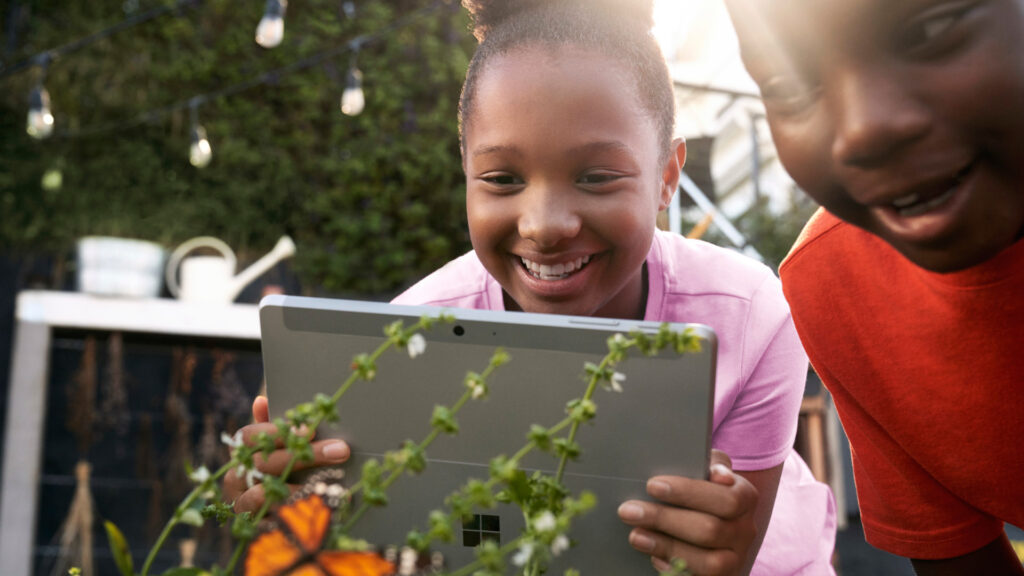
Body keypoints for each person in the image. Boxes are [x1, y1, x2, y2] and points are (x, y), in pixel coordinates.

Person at [226, 0, 836, 573]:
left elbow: (729, 552)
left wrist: (721, 550)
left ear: (667, 176)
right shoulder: (412, 332)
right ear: (464, 169)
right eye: (501, 177)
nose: (545, 226)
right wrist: (279, 523)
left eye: (597, 176)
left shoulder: (753, 314)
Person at [723, 0, 1024, 573]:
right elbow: (960, 558)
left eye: (929, 31)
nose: (863, 131)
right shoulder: (832, 278)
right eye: (789, 85)